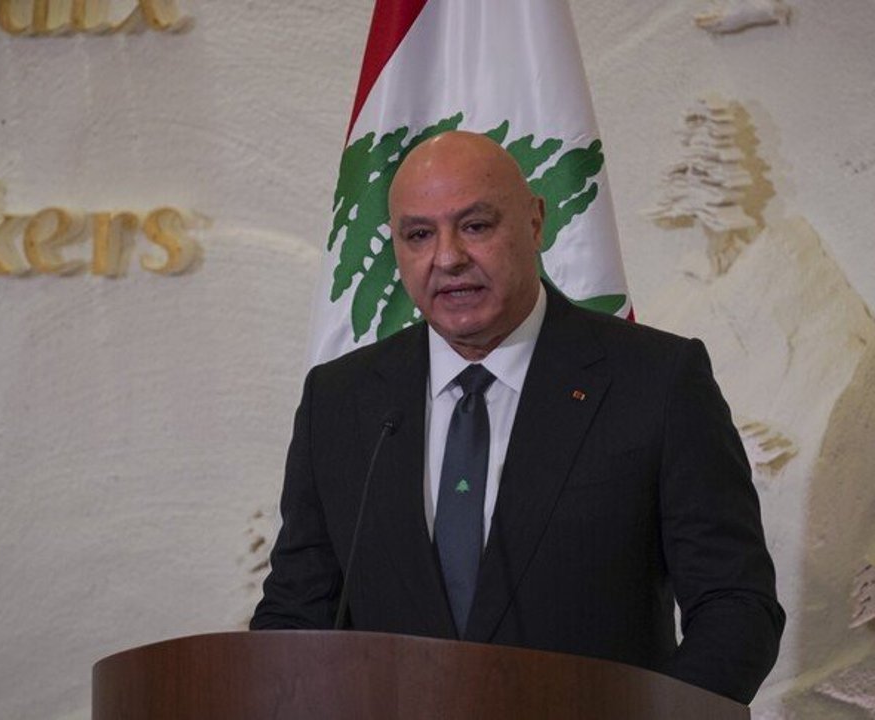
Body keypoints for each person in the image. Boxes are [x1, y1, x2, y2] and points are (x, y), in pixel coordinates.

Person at [251, 131, 784, 704]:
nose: (448, 258)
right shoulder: (340, 399)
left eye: (476, 226)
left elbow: (735, 606)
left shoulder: (657, 380)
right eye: (419, 235)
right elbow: (296, 614)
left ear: (535, 223)